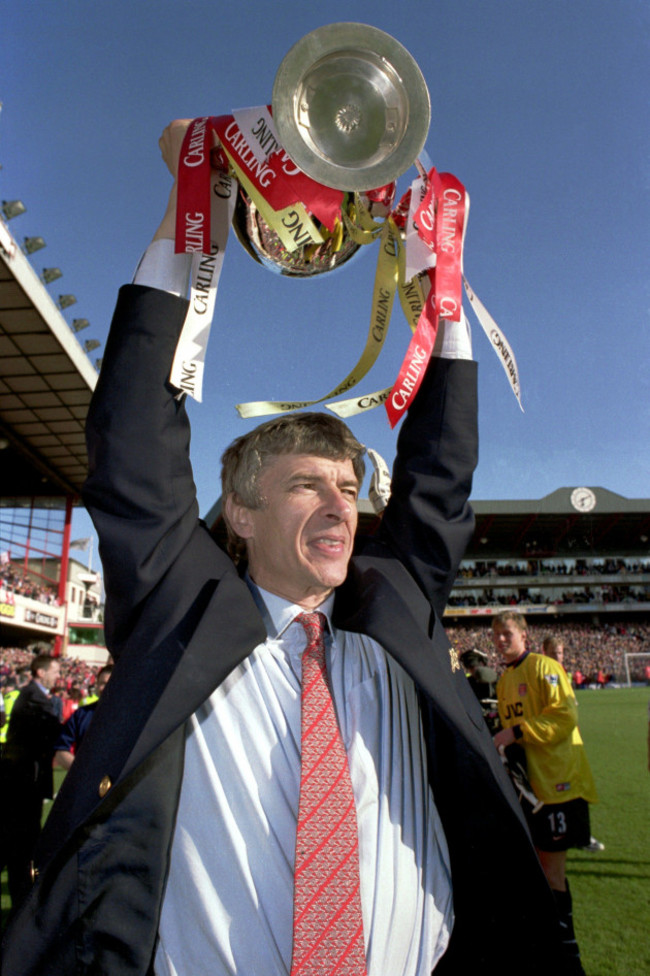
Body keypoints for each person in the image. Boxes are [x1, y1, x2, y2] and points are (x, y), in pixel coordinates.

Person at [2, 121, 567, 976]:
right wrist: (192, 210)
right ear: (240, 511)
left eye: (348, 487)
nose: (340, 505)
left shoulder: (395, 608)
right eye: (308, 485)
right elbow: (132, 442)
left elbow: (440, 471)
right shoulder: (180, 612)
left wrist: (436, 270)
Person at [493, 611, 599, 976]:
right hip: (533, 789)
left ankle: (568, 960)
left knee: (551, 873)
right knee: (541, 868)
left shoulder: (545, 668)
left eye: (507, 633)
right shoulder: (504, 680)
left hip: (560, 786)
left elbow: (564, 717)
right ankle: (553, 952)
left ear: (524, 634)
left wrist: (516, 732)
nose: (500, 640)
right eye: (496, 635)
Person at [0, 653, 61, 910]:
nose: (58, 675)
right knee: (20, 848)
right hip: (23, 785)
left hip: (23, 783)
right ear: (40, 673)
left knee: (17, 846)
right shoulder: (34, 699)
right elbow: (48, 739)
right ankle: (21, 908)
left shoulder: (36, 697)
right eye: (55, 671)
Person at [542, 635, 604, 854]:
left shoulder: (560, 673)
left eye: (560, 653)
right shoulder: (549, 674)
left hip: (572, 741)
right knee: (566, 790)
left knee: (578, 788)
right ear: (545, 652)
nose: (558, 657)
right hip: (560, 744)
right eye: (554, 652)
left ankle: (580, 835)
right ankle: (571, 836)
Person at [53, 666, 113, 770]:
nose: (103, 688)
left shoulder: (132, 716)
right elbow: (61, 750)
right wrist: (81, 773)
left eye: (109, 683)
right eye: (101, 683)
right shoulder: (82, 714)